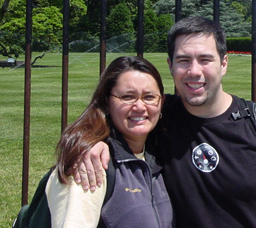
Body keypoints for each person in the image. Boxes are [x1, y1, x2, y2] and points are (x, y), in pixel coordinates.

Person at [77, 17, 256, 228]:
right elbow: (114, 114)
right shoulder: (159, 115)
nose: (194, 71)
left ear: (223, 64)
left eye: (205, 59)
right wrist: (94, 141)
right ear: (170, 65)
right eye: (183, 60)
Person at [47, 56, 175, 228]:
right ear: (107, 102)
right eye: (127, 97)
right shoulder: (90, 166)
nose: (139, 106)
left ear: (161, 103)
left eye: (149, 97)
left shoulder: (157, 154)